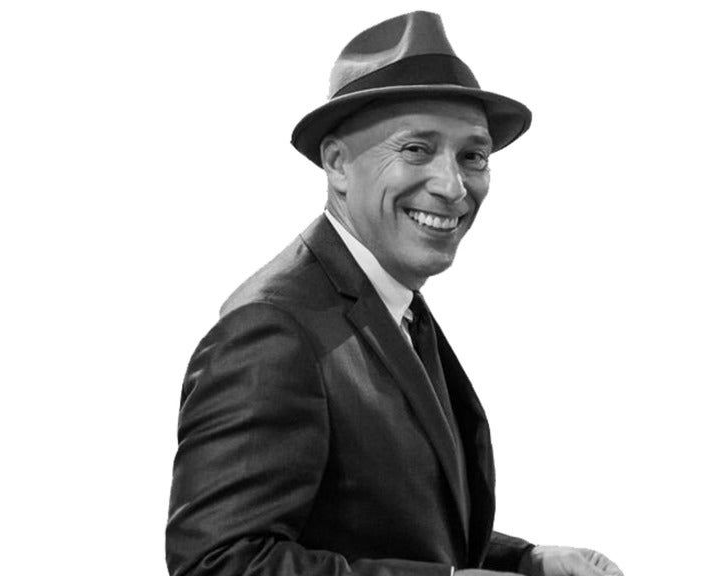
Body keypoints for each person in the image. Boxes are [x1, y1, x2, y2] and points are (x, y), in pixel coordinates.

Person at [166, 11, 623, 576]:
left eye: (473, 156)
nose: (453, 187)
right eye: (416, 149)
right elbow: (218, 564)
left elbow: (384, 513)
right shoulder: (272, 332)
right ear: (337, 164)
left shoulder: (392, 304)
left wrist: (525, 560)